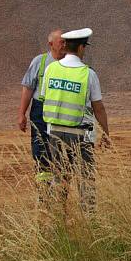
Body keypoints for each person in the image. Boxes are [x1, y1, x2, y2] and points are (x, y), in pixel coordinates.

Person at [39, 28, 110, 215]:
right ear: (80, 48)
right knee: (86, 179)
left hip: (54, 133)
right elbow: (98, 107)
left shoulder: (50, 69)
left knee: (60, 177)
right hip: (81, 135)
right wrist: (106, 133)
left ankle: (57, 217)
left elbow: (44, 96)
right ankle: (89, 218)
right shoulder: (88, 74)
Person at [18, 29, 66, 192]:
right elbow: (28, 88)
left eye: (66, 41)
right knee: (40, 148)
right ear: (51, 44)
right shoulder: (39, 61)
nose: (64, 45)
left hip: (62, 111)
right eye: (61, 42)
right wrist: (21, 114)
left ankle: (59, 188)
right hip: (40, 110)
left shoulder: (70, 63)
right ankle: (44, 190)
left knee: (61, 149)